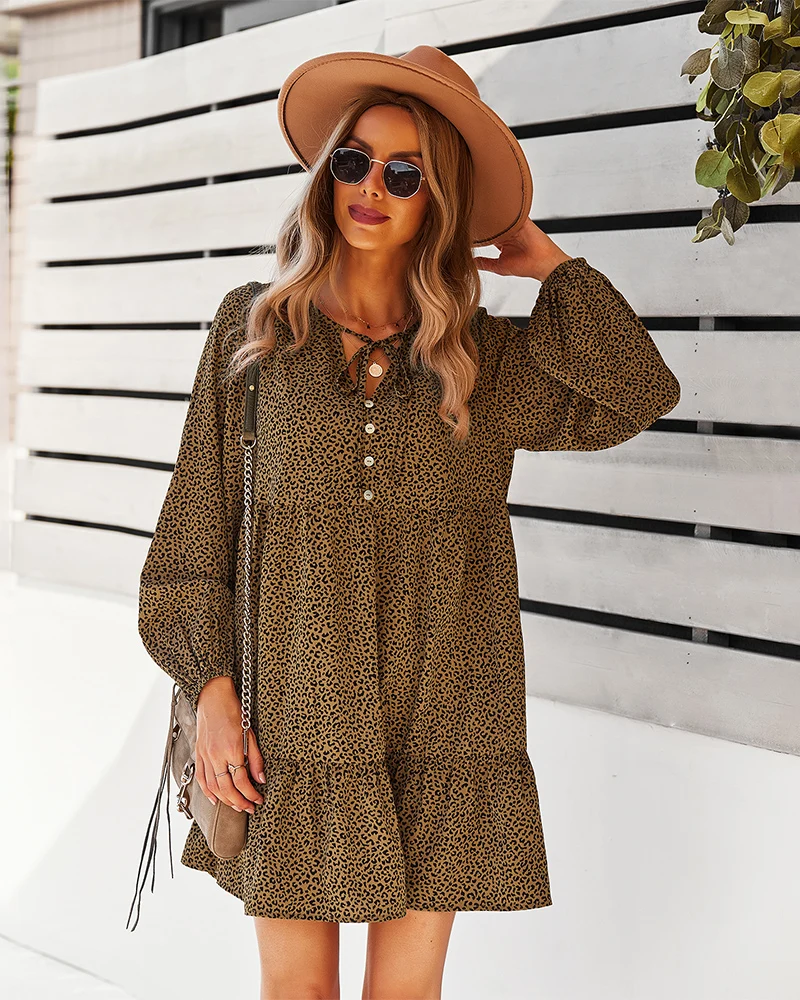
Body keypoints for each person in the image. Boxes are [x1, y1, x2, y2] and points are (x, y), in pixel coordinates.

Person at [134, 45, 680, 1000]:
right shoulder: (254, 334)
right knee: (299, 994)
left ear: (440, 201)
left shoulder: (483, 362)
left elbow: (640, 392)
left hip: (448, 721)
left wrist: (550, 264)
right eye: (354, 161)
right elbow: (189, 543)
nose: (369, 188)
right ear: (326, 174)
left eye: (405, 174)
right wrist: (213, 693)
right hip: (292, 722)